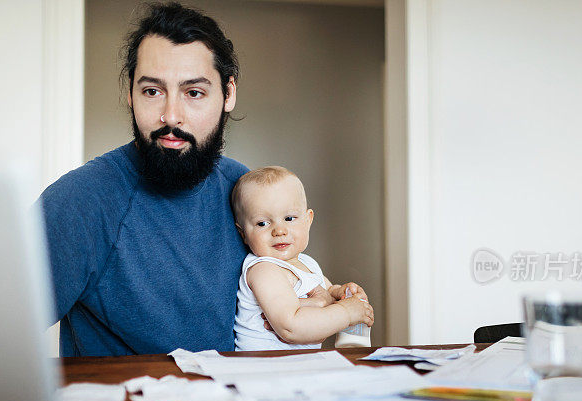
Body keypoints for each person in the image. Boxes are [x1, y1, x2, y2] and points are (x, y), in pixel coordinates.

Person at [38, 3, 250, 356]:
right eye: (152, 91)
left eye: (193, 92)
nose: (171, 115)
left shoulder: (245, 190)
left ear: (228, 94)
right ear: (130, 94)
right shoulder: (81, 201)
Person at [231, 166, 374, 351]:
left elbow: (326, 292)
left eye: (289, 218)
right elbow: (291, 327)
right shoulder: (264, 270)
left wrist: (342, 293)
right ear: (243, 233)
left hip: (294, 366)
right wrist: (347, 312)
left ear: (308, 220)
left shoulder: (307, 263)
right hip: (265, 367)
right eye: (263, 223)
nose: (279, 231)